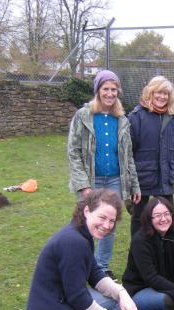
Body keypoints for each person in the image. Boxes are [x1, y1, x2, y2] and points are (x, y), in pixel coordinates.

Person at [23, 189, 139, 310]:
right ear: (86, 211)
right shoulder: (73, 242)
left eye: (111, 221)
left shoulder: (81, 235)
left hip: (58, 308)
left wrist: (122, 293)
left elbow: (95, 275)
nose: (106, 226)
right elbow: (79, 299)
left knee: (114, 301)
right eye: (102, 217)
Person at [68, 69, 141, 278]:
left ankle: (101, 266)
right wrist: (83, 185)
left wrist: (134, 185)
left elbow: (128, 157)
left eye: (114, 89)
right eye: (105, 89)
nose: (110, 93)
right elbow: (73, 153)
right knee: (85, 222)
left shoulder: (122, 119)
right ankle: (80, 263)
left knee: (109, 224)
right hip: (91, 180)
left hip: (115, 180)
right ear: (98, 90)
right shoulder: (84, 116)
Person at [128, 76, 174, 236]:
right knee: (139, 218)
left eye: (166, 94)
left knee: (168, 216)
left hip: (164, 177)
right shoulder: (136, 117)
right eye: (158, 92)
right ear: (150, 93)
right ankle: (137, 253)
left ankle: (166, 249)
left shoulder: (170, 119)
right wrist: (129, 179)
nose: (162, 96)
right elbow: (127, 152)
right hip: (142, 177)